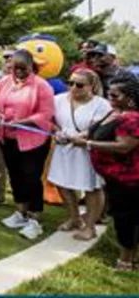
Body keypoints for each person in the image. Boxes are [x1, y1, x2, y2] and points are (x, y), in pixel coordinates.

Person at [68, 73, 139, 271]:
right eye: (109, 93)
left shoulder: (132, 118)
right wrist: (75, 137)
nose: (110, 98)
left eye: (115, 95)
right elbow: (94, 130)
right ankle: (130, 257)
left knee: (127, 220)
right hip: (114, 179)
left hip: (130, 180)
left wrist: (88, 144)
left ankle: (126, 261)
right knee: (123, 218)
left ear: (130, 98)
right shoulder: (115, 112)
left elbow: (124, 146)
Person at [0, 50, 55, 240]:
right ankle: (20, 212)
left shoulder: (41, 86)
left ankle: (35, 218)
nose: (18, 72)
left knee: (31, 177)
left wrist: (24, 121)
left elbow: (45, 114)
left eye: (23, 69)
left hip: (32, 141)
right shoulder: (4, 81)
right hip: (8, 137)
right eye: (15, 68)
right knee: (15, 176)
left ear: (31, 67)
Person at [48, 69, 111, 240]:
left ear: (92, 86)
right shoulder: (58, 100)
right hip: (63, 149)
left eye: (79, 84)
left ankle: (90, 226)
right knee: (61, 183)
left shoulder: (102, 104)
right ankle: (74, 218)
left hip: (87, 151)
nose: (73, 87)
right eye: (70, 83)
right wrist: (57, 131)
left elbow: (100, 128)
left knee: (92, 187)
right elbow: (49, 120)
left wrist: (80, 137)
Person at [0, 47, 15, 203]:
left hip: (18, 128)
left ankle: (19, 194)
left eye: (11, 57)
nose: (8, 61)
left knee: (16, 164)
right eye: (5, 58)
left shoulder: (24, 78)